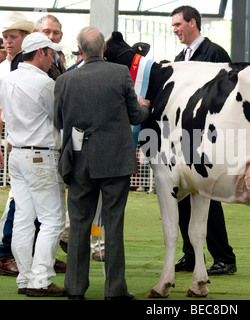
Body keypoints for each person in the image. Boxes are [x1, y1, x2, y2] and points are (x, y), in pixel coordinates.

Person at [54, 27, 151, 300]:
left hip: (78, 158)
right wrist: (146, 106)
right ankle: (115, 289)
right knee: (113, 223)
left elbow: (59, 122)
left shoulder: (64, 81)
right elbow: (135, 116)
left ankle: (74, 288)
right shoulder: (120, 74)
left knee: (79, 225)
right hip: (115, 161)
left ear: (80, 50)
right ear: (104, 50)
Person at [171, 5, 237, 276]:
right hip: (184, 136)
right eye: (173, 26)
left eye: (178, 25)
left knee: (209, 195)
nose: (174, 30)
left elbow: (228, 93)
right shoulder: (178, 57)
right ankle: (190, 253)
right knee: (182, 194)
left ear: (193, 23)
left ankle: (224, 257)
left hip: (208, 137)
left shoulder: (215, 53)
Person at [0, 32, 66, 297]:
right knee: (52, 220)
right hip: (40, 156)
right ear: (40, 52)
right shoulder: (45, 84)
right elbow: (58, 118)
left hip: (17, 155)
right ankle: (40, 278)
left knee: (24, 220)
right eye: (51, 53)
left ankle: (26, 277)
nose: (53, 59)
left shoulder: (7, 79)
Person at [0, 11, 34, 277]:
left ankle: (29, 252)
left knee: (30, 202)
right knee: (18, 201)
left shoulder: (35, 66)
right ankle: (5, 253)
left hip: (28, 144)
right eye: (6, 38)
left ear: (26, 39)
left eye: (13, 37)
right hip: (14, 145)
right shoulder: (2, 70)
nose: (8, 42)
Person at [34, 14, 66, 79]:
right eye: (47, 32)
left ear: (61, 36)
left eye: (56, 33)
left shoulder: (57, 58)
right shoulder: (31, 58)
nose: (51, 37)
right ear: (35, 33)